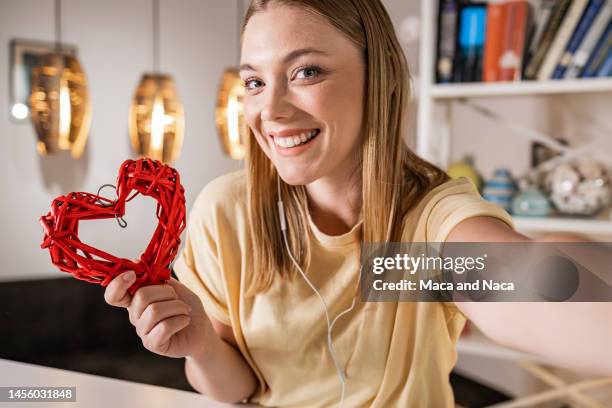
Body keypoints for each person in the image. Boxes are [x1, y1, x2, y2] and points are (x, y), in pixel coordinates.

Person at [103, 0, 612, 406]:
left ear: (379, 77)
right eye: (255, 82)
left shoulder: (424, 228)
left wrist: (554, 259)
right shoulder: (229, 213)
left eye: (306, 72)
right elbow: (235, 388)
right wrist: (199, 346)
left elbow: (523, 290)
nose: (271, 110)